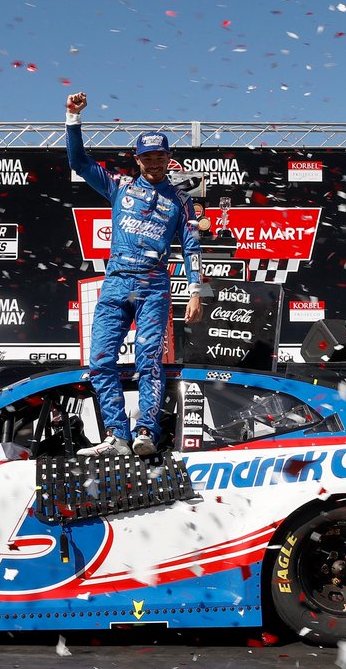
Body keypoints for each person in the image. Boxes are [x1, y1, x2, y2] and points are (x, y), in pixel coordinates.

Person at [65, 91, 203, 457]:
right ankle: (117, 437)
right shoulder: (119, 186)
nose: (154, 163)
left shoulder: (181, 200)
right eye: (147, 158)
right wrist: (73, 118)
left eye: (160, 157)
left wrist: (194, 291)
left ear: (169, 159)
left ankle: (146, 432)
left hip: (154, 286)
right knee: (100, 362)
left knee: (148, 362)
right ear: (136, 159)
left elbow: (191, 247)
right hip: (116, 283)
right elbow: (79, 163)